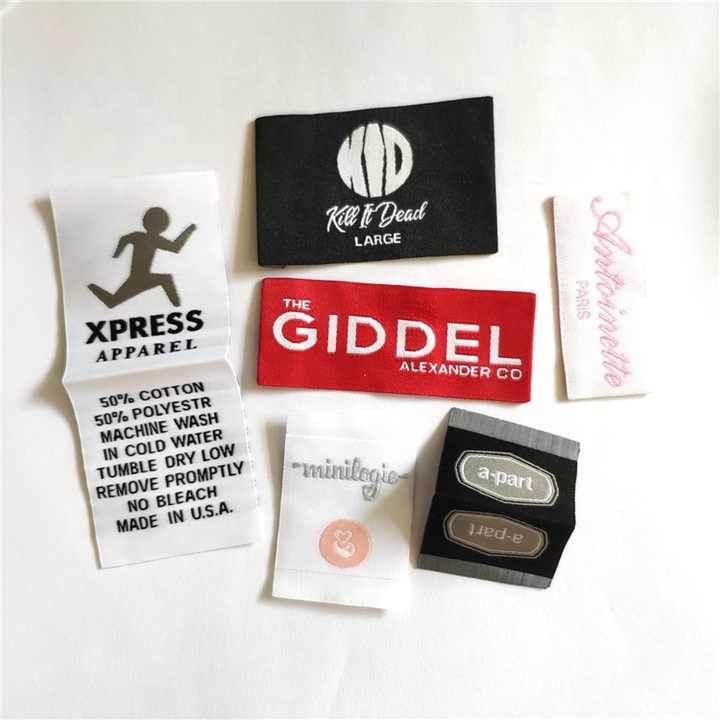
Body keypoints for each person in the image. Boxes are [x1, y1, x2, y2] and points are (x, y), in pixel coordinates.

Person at [88, 207, 195, 308]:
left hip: (140, 277)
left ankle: (177, 304)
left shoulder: (144, 237)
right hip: (139, 277)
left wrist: (117, 254)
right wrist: (189, 230)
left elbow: (124, 239)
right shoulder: (146, 237)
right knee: (165, 279)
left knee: (112, 302)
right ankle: (91, 286)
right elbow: (175, 247)